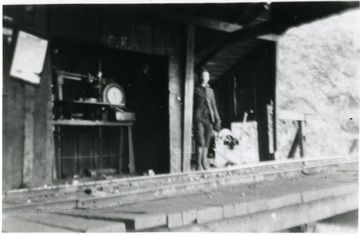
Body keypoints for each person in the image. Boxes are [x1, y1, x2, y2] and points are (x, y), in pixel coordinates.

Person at [193, 68, 221, 170]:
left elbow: (214, 106)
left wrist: (217, 120)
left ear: (209, 78)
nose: (204, 78)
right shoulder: (195, 90)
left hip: (209, 120)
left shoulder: (211, 91)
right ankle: (198, 164)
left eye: (206, 76)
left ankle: (204, 163)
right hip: (199, 119)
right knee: (200, 141)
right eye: (202, 76)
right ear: (200, 77)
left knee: (206, 142)